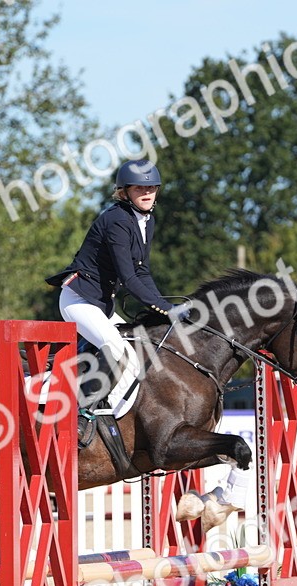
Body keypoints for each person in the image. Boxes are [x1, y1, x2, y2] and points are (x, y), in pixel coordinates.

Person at [45, 159, 189, 428]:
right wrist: (166, 309)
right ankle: (80, 415)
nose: (146, 193)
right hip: (79, 300)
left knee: (135, 350)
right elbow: (129, 278)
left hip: (102, 305)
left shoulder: (146, 220)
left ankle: (114, 413)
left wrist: (163, 305)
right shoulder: (117, 220)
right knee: (114, 347)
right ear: (124, 192)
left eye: (151, 188)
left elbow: (142, 271)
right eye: (139, 188)